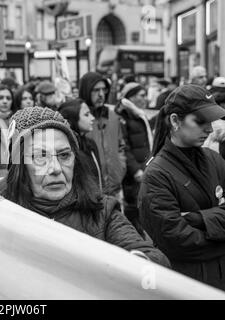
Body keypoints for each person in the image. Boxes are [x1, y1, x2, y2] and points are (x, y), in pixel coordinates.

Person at [0, 107, 170, 267]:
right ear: (20, 167)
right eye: (40, 157)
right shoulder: (2, 211)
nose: (56, 169)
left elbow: (154, 260)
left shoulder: (102, 212)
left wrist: (134, 265)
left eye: (64, 155)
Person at [138, 84, 225, 290]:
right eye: (200, 121)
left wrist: (198, 218)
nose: (210, 129)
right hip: (185, 284)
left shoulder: (214, 159)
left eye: (210, 121)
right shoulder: (157, 175)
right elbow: (176, 241)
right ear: (175, 121)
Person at [78, 72, 127, 200]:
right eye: (95, 90)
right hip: (90, 191)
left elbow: (121, 146)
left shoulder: (113, 116)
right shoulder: (80, 119)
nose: (101, 94)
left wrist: (120, 170)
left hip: (115, 187)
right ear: (86, 91)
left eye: (103, 90)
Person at [115, 83, 153, 237]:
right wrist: (135, 169)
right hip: (134, 173)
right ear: (131, 97)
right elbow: (124, 145)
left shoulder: (137, 114)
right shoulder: (123, 115)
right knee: (134, 206)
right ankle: (136, 238)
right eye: (141, 95)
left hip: (143, 167)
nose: (145, 99)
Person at [58, 99, 102, 191]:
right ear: (73, 119)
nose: (92, 117)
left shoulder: (90, 144)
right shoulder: (64, 150)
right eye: (86, 115)